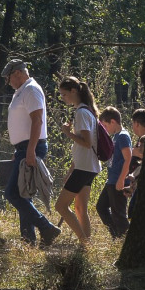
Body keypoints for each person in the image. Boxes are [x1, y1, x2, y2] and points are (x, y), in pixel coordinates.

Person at [2, 59, 61, 246]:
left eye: (8, 78)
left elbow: (37, 121)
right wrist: (20, 149)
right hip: (23, 148)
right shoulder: (22, 91)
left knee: (13, 194)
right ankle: (29, 240)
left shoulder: (31, 90)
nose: (8, 82)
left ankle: (46, 227)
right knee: (22, 193)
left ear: (18, 73)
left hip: (30, 147)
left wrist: (30, 150)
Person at [56, 76, 102, 247]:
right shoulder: (87, 111)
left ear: (74, 91)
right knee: (80, 208)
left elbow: (87, 143)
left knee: (60, 206)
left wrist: (67, 132)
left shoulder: (82, 113)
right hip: (87, 166)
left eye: (64, 94)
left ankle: (84, 243)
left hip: (84, 167)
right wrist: (71, 169)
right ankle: (86, 245)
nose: (62, 98)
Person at [96, 106, 132, 238]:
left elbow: (128, 158)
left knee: (119, 214)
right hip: (111, 180)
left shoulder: (123, 136)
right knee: (101, 207)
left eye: (105, 126)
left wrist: (122, 179)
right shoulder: (115, 136)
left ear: (113, 122)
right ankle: (116, 235)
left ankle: (125, 240)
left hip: (118, 180)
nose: (105, 129)